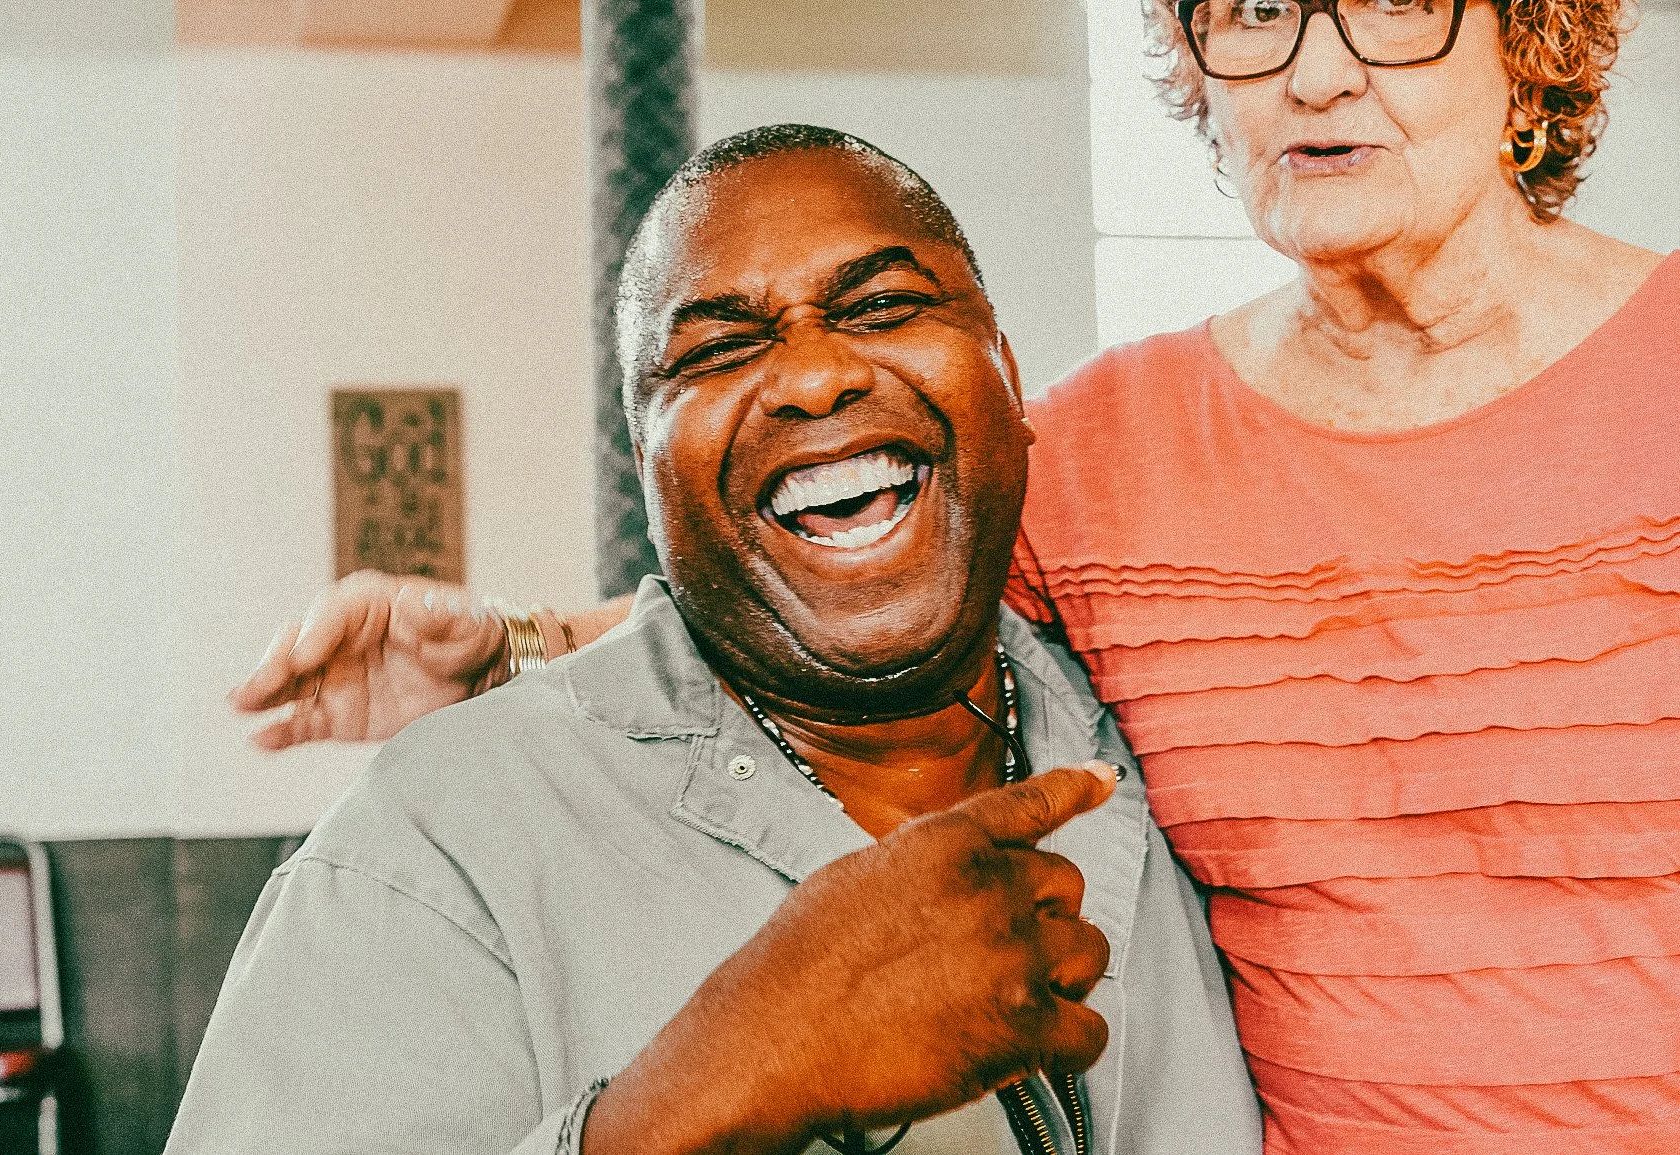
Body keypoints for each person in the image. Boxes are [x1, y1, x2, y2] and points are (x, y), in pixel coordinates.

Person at [237, 3, 1680, 1150]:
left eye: (1394, 3)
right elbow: (851, 571)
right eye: (1251, 13)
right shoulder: (1118, 441)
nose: (1314, 73)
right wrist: (518, 646)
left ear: (1536, 35)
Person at [176, 127, 1260, 1155]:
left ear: (1011, 378)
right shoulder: (440, 838)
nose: (813, 375)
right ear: (644, 470)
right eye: (722, 348)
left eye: (883, 306)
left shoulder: (1181, 728)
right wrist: (709, 1093)